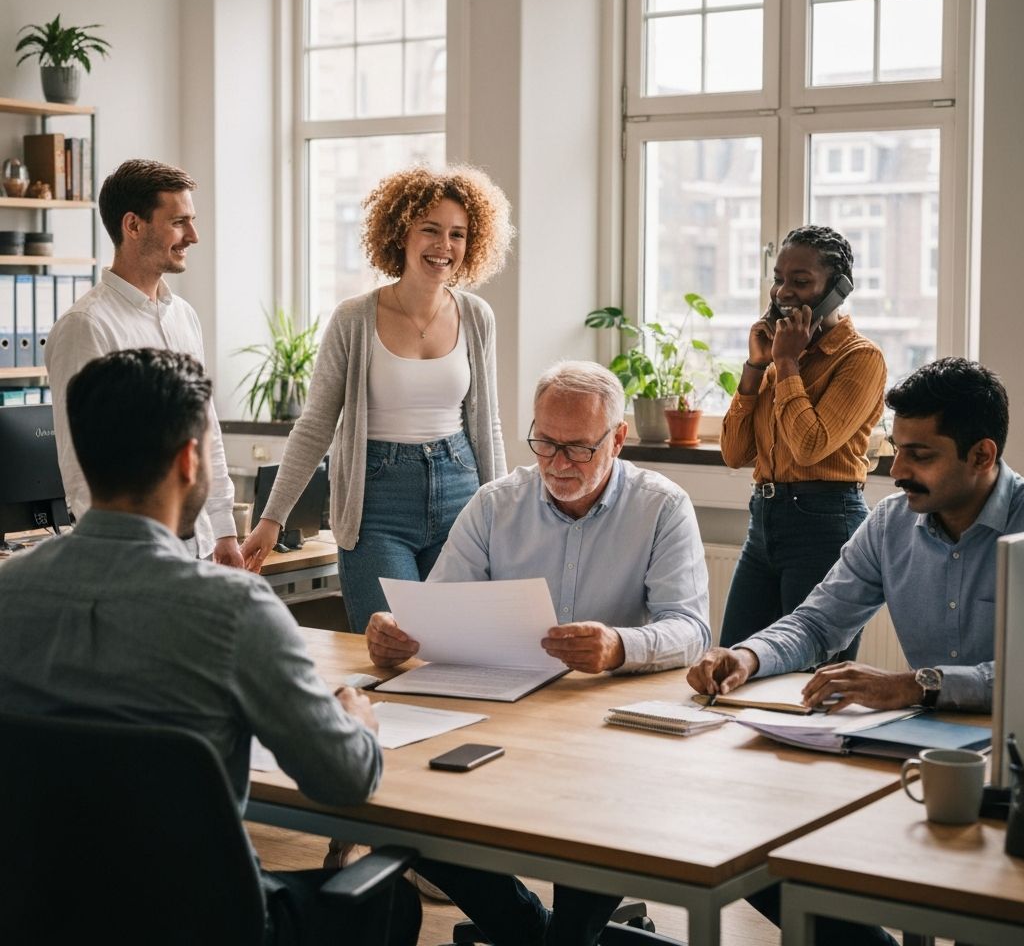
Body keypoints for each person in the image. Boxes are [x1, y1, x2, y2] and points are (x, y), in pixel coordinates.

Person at [0, 348, 420, 946]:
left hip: (39, 917)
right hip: (205, 925)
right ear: (189, 459)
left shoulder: (7, 594)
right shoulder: (234, 611)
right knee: (390, 903)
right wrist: (357, 716)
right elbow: (347, 779)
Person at [368, 360, 711, 946]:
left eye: (577, 449)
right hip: (504, 716)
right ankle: (535, 933)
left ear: (619, 439)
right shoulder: (496, 503)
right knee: (406, 816)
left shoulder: (662, 506)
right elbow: (437, 606)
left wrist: (619, 645)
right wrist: (396, 632)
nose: (557, 464)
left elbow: (692, 628)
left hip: (606, 732)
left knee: (593, 825)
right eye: (545, 443)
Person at [689, 356, 1022, 946]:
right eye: (897, 448)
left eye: (921, 454)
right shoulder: (890, 524)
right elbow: (818, 622)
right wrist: (749, 655)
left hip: (1011, 765)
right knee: (754, 853)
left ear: (982, 455)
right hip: (920, 751)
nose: (898, 470)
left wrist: (915, 684)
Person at [241, 165, 513, 633]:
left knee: (456, 646)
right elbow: (315, 425)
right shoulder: (354, 319)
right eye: (430, 230)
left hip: (461, 494)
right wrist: (272, 518)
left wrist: (507, 515)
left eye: (457, 234)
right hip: (376, 503)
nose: (443, 246)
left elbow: (487, 425)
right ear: (400, 232)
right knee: (392, 644)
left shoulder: (477, 316)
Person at [45, 158, 242, 567]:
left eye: (192, 220)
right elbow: (80, 460)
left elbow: (206, 426)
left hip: (200, 543)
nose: (194, 235)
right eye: (179, 222)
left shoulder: (183, 315)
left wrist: (223, 529)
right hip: (133, 553)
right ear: (133, 226)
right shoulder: (86, 326)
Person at [718, 225, 886, 658]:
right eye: (778, 278)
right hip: (765, 521)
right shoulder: (777, 358)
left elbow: (810, 445)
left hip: (825, 524)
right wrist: (756, 366)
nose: (782, 292)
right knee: (732, 663)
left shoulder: (860, 358)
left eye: (801, 281)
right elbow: (735, 454)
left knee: (807, 681)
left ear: (838, 288)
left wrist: (787, 362)